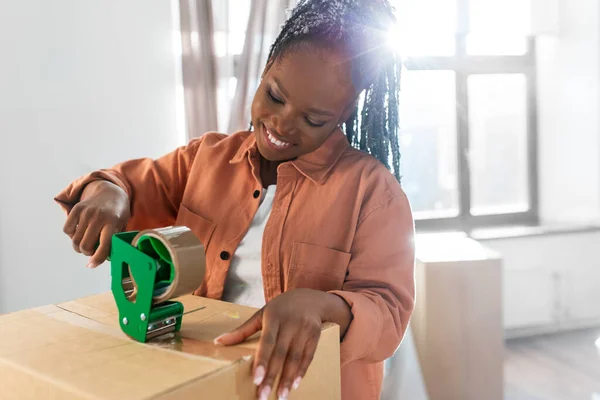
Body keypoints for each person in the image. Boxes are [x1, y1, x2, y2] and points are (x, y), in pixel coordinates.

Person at [55, 0, 415, 399]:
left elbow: (388, 313)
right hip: (204, 381)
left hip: (310, 389)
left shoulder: (373, 192)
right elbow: (125, 183)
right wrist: (108, 193)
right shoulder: (205, 159)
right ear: (264, 71)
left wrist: (321, 307)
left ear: (343, 113)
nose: (281, 123)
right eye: (275, 96)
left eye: (313, 120)